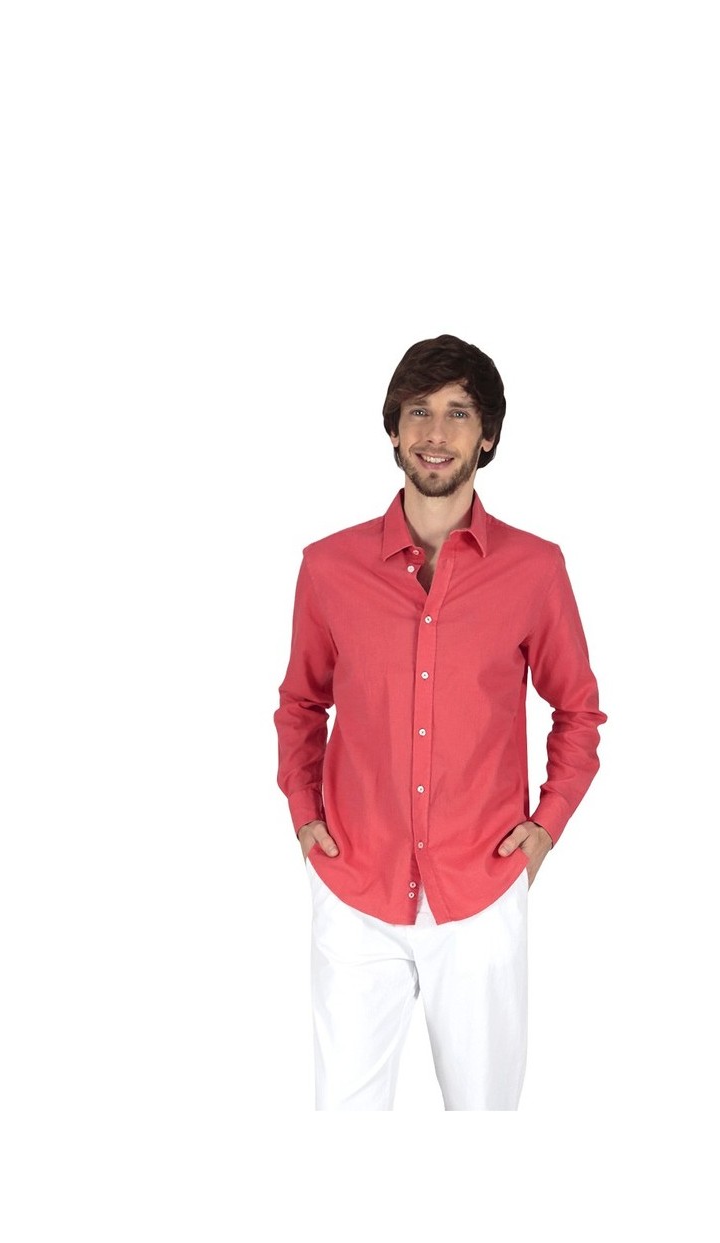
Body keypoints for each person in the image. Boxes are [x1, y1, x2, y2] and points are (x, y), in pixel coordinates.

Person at [275, 334, 606, 1111]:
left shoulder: (535, 570)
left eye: (459, 413)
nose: (435, 433)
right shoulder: (328, 568)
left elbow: (578, 710)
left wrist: (545, 828)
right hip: (355, 888)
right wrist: (304, 816)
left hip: (482, 890)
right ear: (393, 429)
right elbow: (301, 704)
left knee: (484, 1116)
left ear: (487, 436)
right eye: (418, 411)